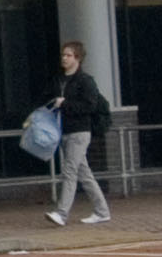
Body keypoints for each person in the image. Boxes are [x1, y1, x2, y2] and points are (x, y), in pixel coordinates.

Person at [45, 41, 114, 227]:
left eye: (68, 55)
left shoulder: (85, 81)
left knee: (69, 171)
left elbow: (90, 106)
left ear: (78, 58)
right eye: (63, 55)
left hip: (80, 132)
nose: (64, 58)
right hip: (64, 131)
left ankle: (61, 213)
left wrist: (65, 103)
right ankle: (102, 211)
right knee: (84, 174)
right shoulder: (59, 80)